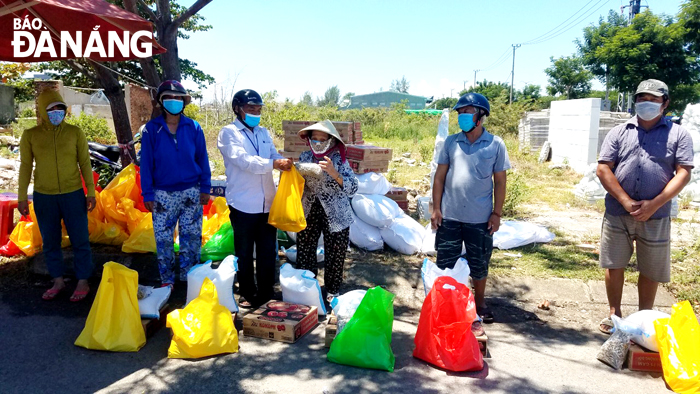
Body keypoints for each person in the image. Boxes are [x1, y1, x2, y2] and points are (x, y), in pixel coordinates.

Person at [596, 79, 693, 334]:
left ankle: (642, 318)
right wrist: (625, 201)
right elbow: (603, 168)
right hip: (618, 212)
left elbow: (683, 173)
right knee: (614, 264)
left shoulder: (678, 134)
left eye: (653, 99)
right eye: (641, 99)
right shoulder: (619, 132)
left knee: (650, 269)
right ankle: (614, 314)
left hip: (656, 214)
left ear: (665, 103)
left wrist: (654, 204)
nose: (646, 103)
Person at [431, 93, 510, 326]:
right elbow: (439, 178)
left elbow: (501, 182)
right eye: (460, 113)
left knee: (479, 263)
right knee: (446, 262)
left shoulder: (495, 144)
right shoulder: (451, 142)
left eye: (467, 112)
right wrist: (436, 209)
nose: (462, 117)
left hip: (480, 218)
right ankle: (445, 303)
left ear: (480, 115)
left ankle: (480, 302)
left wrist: (497, 214)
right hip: (450, 216)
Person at [18, 90, 96, 301]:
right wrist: (22, 196)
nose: (57, 113)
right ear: (43, 111)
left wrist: (90, 191)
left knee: (80, 240)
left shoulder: (75, 132)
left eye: (60, 108)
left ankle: (82, 281)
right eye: (51, 109)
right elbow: (25, 166)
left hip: (73, 194)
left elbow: (85, 163)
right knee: (50, 242)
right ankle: (58, 281)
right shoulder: (31, 135)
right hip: (44, 196)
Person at [217, 89, 293, 308]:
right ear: (238, 109)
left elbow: (272, 154)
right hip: (242, 203)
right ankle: (247, 292)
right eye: (251, 109)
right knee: (244, 250)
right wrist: (273, 164)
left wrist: (283, 161)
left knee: (268, 249)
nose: (256, 113)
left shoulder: (263, 132)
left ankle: (267, 290)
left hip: (267, 202)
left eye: (258, 109)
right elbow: (244, 161)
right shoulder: (229, 133)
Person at [140, 80, 211, 287]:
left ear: (184, 102)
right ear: (161, 102)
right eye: (169, 98)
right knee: (163, 240)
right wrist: (148, 194)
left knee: (191, 239)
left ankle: (191, 280)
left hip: (191, 192)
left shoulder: (194, 127)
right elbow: (146, 164)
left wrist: (205, 187)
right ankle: (167, 281)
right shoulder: (151, 130)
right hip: (162, 193)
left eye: (178, 98)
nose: (174, 101)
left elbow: (202, 158)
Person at [295, 120, 358, 302]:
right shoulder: (306, 157)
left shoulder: (338, 159)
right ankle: (307, 289)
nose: (318, 143)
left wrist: (333, 173)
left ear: (331, 141)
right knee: (305, 250)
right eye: (314, 139)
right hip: (310, 209)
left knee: (335, 252)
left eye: (322, 139)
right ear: (309, 140)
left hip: (336, 212)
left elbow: (353, 187)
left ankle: (332, 291)